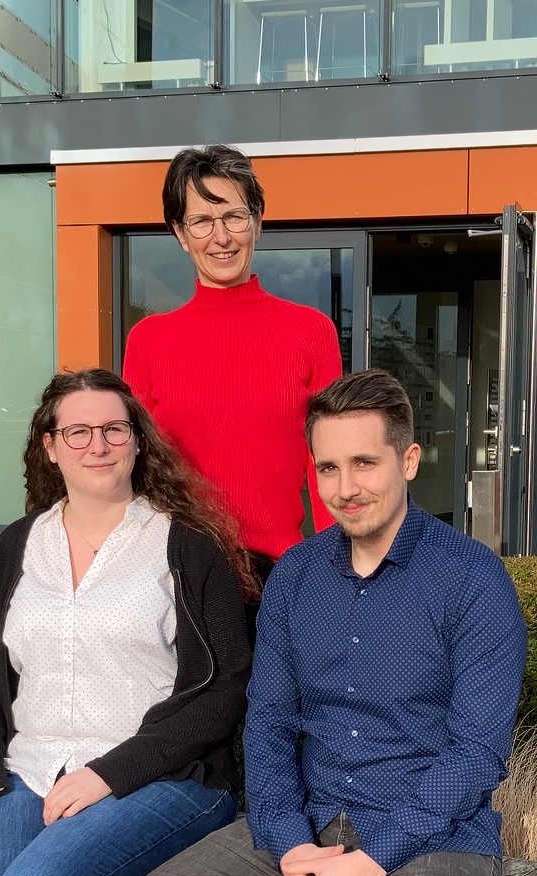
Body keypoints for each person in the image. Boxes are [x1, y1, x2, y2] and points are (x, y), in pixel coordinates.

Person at [104, 368, 528, 876]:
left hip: (432, 838)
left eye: (364, 463)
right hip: (310, 821)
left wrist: (372, 860)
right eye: (328, 467)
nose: (345, 488)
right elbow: (269, 722)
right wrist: (290, 844)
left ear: (409, 461)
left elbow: (476, 752)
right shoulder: (296, 575)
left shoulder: (472, 578)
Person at [0, 368, 254, 876]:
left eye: (114, 429)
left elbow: (225, 691)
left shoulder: (186, 547)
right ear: (50, 447)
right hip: (31, 770)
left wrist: (109, 773)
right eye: (78, 432)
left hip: (159, 777)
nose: (98, 446)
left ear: (136, 441)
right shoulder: (18, 546)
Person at [123, 143, 344, 600]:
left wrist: (336, 569)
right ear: (180, 234)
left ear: (257, 222)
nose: (220, 237)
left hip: (280, 577)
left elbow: (328, 458)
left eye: (234, 217)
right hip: (174, 575)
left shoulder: (311, 332)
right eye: (201, 221)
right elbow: (134, 465)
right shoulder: (148, 340)